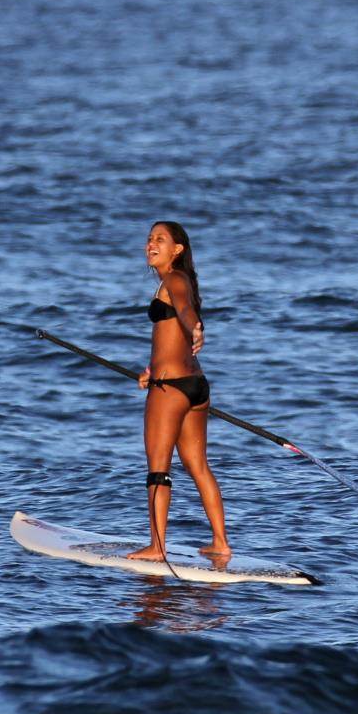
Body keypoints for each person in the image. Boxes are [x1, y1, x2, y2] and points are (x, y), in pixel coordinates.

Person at [127, 221, 232, 562]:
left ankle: (157, 548)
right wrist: (150, 370)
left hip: (171, 389)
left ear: (177, 249)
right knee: (198, 466)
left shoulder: (174, 279)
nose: (151, 244)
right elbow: (172, 333)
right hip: (194, 386)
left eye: (160, 239)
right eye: (149, 239)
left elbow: (185, 313)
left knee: (158, 469)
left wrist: (196, 328)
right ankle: (220, 543)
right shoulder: (179, 281)